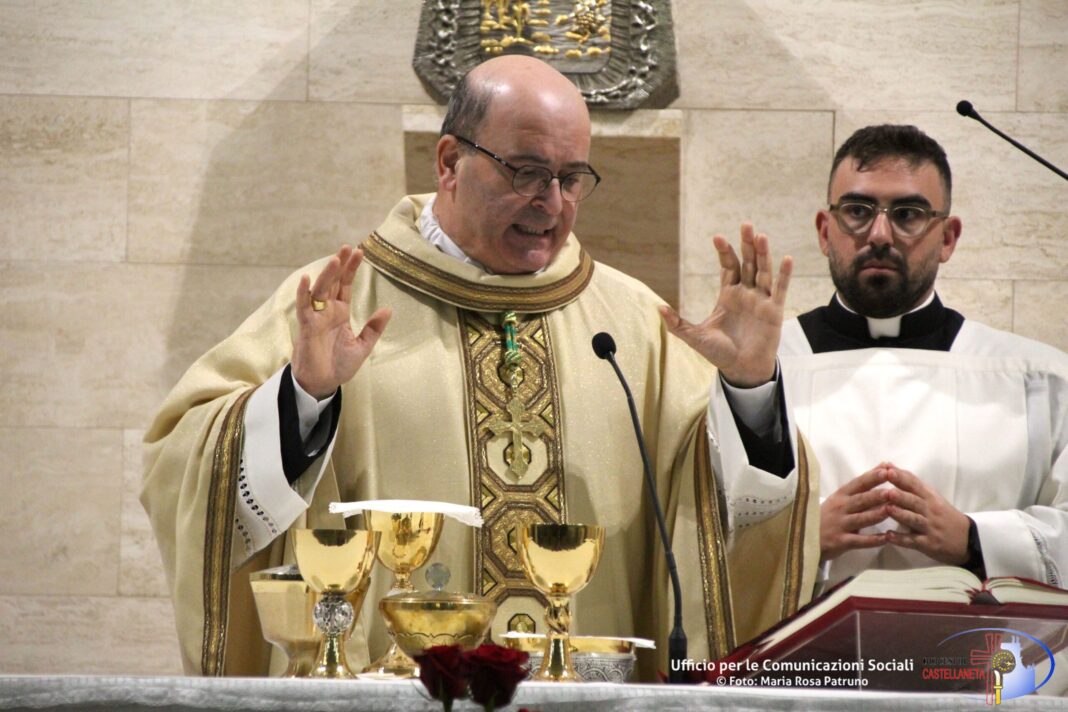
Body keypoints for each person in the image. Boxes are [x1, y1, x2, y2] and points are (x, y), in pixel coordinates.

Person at [142, 55, 819, 679]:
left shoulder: (632, 324)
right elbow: (181, 458)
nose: (551, 201)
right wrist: (303, 401)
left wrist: (751, 392)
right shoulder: (339, 303)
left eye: (571, 178)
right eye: (525, 171)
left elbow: (725, 519)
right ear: (448, 161)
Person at [676, 124, 1068, 594]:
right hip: (806, 665)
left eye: (909, 213)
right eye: (858, 211)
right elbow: (688, 528)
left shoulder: (1036, 379)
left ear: (948, 237)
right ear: (825, 231)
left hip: (974, 661)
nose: (880, 234)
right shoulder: (758, 372)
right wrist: (802, 538)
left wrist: (974, 540)